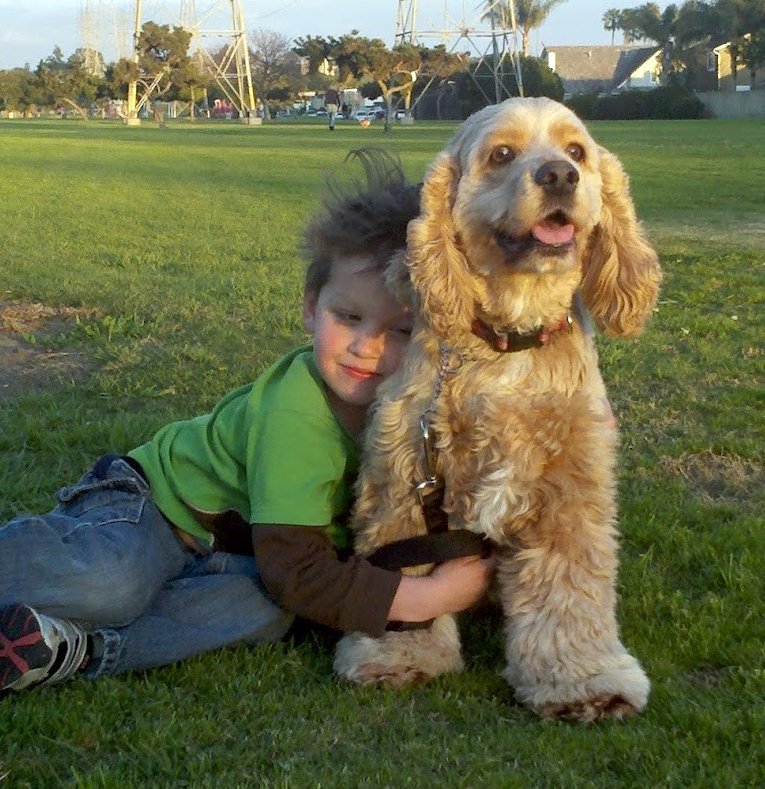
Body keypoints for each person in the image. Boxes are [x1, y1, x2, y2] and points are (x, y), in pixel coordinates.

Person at [0, 150, 494, 696]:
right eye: (348, 316)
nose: (366, 347)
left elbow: (300, 576)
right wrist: (428, 597)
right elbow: (296, 568)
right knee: (113, 583)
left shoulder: (424, 408)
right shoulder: (297, 413)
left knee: (267, 611)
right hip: (154, 508)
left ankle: (66, 647)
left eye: (399, 330)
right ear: (311, 307)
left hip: (233, 553)